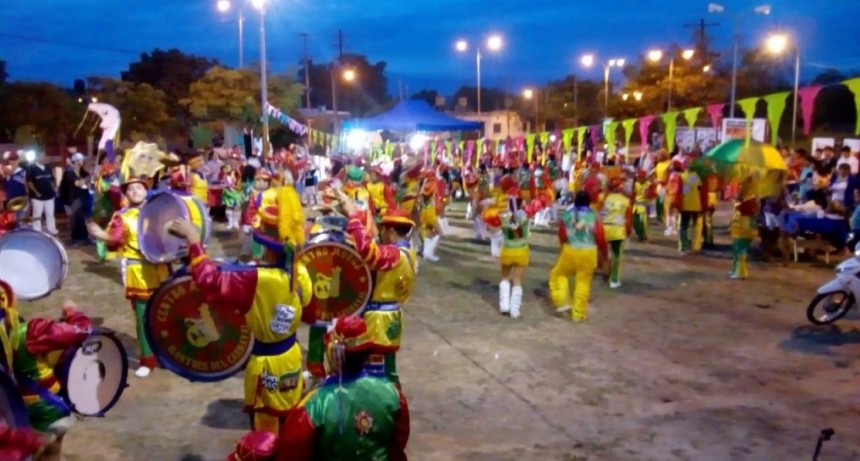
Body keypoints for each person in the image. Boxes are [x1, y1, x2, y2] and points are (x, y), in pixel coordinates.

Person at [167, 185, 313, 436]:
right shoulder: (299, 271)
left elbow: (209, 281)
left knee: (266, 431)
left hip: (266, 364)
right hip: (291, 356)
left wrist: (193, 240)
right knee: (289, 421)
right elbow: (310, 313)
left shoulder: (256, 279)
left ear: (266, 248)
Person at [276, 316, 410, 461]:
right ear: (366, 354)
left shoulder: (315, 404)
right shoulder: (393, 395)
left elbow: (293, 452)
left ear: (334, 354)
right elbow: (397, 447)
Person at [86, 171, 171, 378]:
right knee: (143, 317)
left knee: (166, 315)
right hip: (138, 272)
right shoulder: (121, 217)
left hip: (161, 269)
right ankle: (147, 359)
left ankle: (167, 356)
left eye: (139, 187)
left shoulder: (157, 212)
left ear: (146, 190)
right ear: (126, 194)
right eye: (131, 189)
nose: (135, 191)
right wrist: (102, 235)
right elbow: (115, 239)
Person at [1, 279, 93, 461]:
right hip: (47, 410)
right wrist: (71, 311)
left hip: (12, 415)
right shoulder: (31, 332)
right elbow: (81, 330)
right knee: (49, 452)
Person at [336, 189, 416, 385]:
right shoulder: (409, 251)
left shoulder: (394, 255)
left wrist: (353, 216)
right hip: (392, 315)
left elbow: (367, 251)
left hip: (379, 320)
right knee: (387, 367)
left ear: (390, 231)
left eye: (383, 230)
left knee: (376, 371)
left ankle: (384, 406)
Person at [549, 191, 608, 322]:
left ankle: (562, 301)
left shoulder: (567, 214)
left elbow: (562, 234)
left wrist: (563, 247)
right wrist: (604, 254)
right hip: (589, 251)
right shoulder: (594, 216)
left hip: (570, 249)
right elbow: (600, 236)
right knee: (583, 281)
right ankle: (578, 313)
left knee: (558, 275)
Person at [498, 180, 541, 319]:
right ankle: (514, 310)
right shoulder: (525, 217)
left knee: (505, 277)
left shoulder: (503, 217)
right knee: (517, 280)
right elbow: (536, 204)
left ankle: (504, 305)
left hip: (507, 250)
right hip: (521, 251)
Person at [601, 177, 632, 288]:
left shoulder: (603, 198)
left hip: (603, 229)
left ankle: (605, 269)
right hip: (618, 230)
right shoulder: (626, 200)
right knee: (617, 256)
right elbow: (628, 219)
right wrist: (628, 232)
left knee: (604, 254)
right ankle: (614, 280)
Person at [729, 178, 759, 280]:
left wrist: (738, 204)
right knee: (736, 247)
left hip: (745, 227)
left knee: (740, 249)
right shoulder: (745, 197)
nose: (740, 187)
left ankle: (741, 272)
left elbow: (748, 210)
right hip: (740, 227)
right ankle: (736, 269)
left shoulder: (750, 198)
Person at [59, 153, 91, 245]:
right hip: (73, 198)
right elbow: (77, 183)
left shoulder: (82, 172)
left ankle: (84, 237)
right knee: (75, 218)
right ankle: (75, 238)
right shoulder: (69, 172)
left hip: (82, 197)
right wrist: (86, 179)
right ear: (76, 161)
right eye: (81, 160)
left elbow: (88, 182)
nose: (82, 162)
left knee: (83, 218)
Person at [26, 152, 58, 235]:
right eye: (42, 156)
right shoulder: (31, 168)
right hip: (37, 196)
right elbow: (29, 182)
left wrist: (54, 189)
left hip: (49, 195)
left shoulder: (48, 167)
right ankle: (37, 230)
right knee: (37, 214)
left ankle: (51, 229)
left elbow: (52, 179)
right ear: (37, 158)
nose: (44, 158)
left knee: (50, 213)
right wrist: (36, 192)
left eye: (45, 156)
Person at [632, 170, 656, 242]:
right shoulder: (635, 184)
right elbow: (633, 194)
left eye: (640, 177)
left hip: (645, 206)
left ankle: (645, 236)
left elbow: (652, 195)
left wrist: (648, 193)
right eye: (638, 177)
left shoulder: (649, 184)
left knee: (644, 222)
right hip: (636, 206)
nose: (639, 179)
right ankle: (639, 234)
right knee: (635, 222)